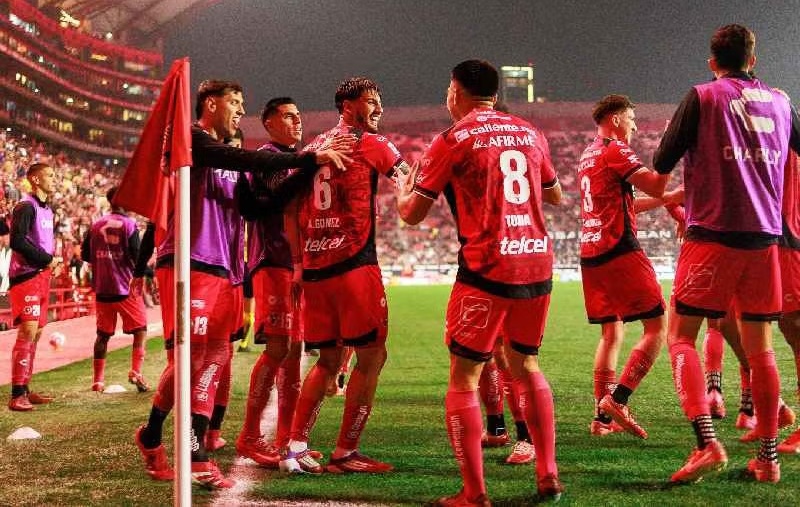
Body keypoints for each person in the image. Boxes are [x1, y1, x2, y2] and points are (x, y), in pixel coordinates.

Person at [132, 79, 352, 489]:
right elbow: (241, 159)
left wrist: (305, 172)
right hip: (189, 260)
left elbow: (260, 207)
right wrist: (306, 158)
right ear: (211, 104)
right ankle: (194, 454)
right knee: (191, 360)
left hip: (227, 270)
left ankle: (156, 437)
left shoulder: (231, 163)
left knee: (214, 359)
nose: (239, 110)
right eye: (234, 102)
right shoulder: (190, 140)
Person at [398, 59, 563, 505]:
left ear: (456, 92)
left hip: (487, 266)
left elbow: (412, 215)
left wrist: (401, 192)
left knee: (464, 377)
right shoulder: (529, 131)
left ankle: (474, 493)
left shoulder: (452, 139)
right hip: (536, 261)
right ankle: (548, 472)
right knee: (527, 366)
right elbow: (555, 195)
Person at [654, 24, 800, 484]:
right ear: (753, 60)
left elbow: (660, 162)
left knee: (681, 336)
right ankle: (768, 459)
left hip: (712, 235)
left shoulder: (703, 96)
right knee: (762, 349)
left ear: (712, 62)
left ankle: (706, 443)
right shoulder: (781, 102)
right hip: (766, 240)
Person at [281, 77, 410, 475]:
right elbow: (410, 181)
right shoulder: (370, 143)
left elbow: (289, 209)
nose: (379, 108)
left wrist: (298, 263)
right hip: (354, 264)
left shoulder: (314, 147)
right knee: (372, 355)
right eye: (372, 101)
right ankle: (346, 451)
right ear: (348, 106)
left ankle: (295, 447)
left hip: (316, 269)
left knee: (328, 359)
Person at [235, 96, 322, 467]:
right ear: (268, 123)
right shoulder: (267, 159)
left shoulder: (297, 159)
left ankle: (287, 439)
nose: (296, 121)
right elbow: (265, 207)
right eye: (288, 116)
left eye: (298, 116)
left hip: (297, 265)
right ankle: (250, 435)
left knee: (295, 353)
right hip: (272, 261)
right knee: (278, 349)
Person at [577, 95, 670, 439]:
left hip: (591, 253)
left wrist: (669, 199)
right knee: (657, 327)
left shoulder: (589, 154)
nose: (634, 126)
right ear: (615, 119)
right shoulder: (616, 150)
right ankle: (618, 399)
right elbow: (655, 183)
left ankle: (601, 420)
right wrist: (669, 150)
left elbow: (625, 202)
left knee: (611, 334)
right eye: (631, 119)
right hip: (619, 249)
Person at [81, 186, 149, 393]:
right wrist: (147, 272)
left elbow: (85, 255)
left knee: (102, 335)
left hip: (103, 288)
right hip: (125, 287)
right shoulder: (129, 224)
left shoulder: (95, 225)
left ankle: (98, 381)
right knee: (140, 330)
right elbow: (137, 255)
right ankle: (136, 371)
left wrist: (104, 258)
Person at [7, 163, 58, 411]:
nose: (54, 179)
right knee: (27, 332)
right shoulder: (25, 206)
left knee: (36, 334)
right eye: (50, 175)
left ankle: (26, 388)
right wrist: (47, 259)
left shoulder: (48, 209)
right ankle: (16, 393)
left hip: (42, 277)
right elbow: (17, 241)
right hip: (25, 277)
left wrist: (51, 262)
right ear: (35, 179)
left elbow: (42, 240)